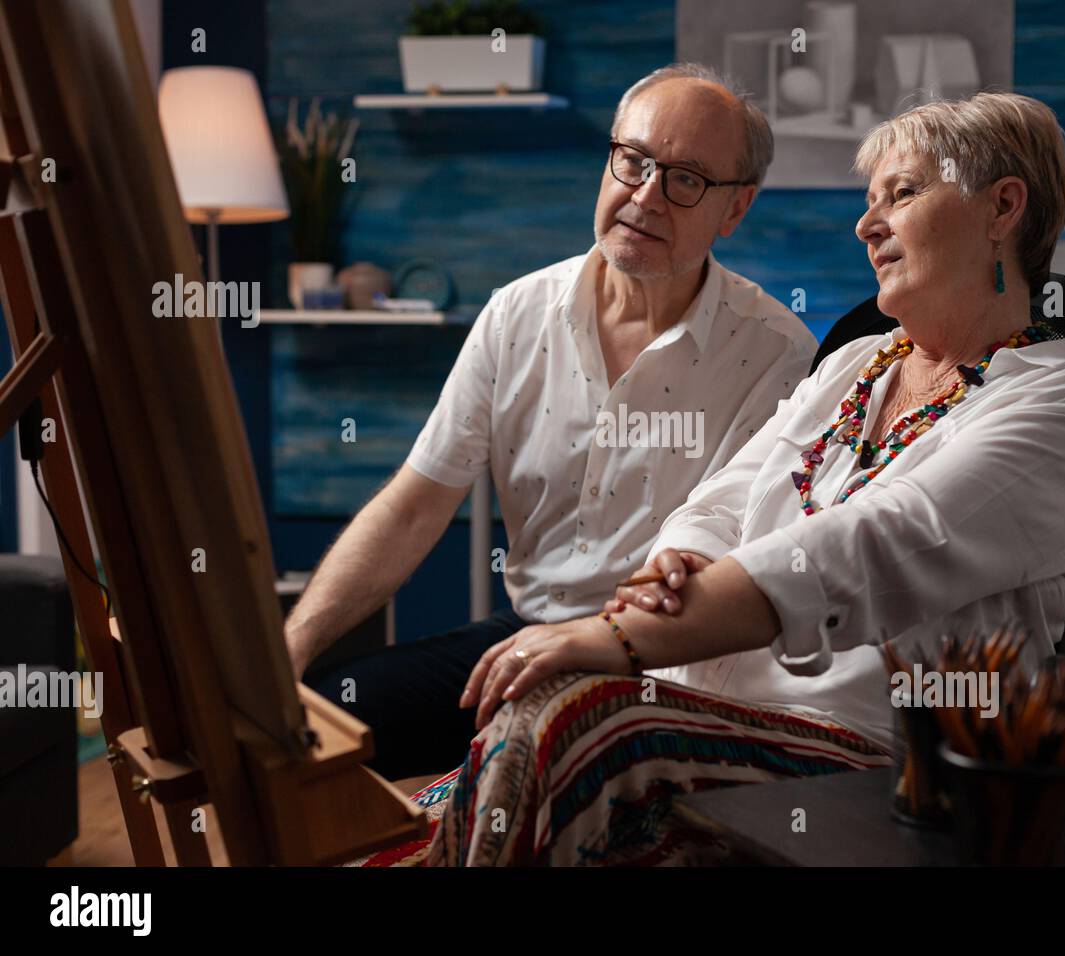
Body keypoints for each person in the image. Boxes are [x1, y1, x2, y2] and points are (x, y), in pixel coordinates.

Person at [425, 91, 1065, 866]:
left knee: (571, 721)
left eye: (902, 193)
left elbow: (863, 547)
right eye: (870, 202)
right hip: (711, 712)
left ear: (1002, 207)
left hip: (874, 757)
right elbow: (724, 499)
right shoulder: (857, 364)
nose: (868, 225)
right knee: (515, 733)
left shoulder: (1062, 412)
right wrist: (677, 560)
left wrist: (614, 636)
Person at [289, 63, 816, 780]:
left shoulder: (776, 353)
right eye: (632, 161)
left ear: (735, 210)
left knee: (527, 770)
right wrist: (290, 648)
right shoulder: (517, 313)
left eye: (685, 178)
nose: (646, 196)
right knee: (316, 726)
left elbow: (735, 563)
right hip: (526, 636)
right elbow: (414, 508)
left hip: (665, 666)